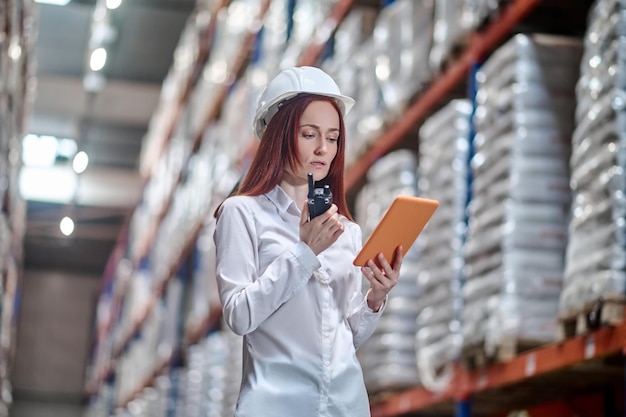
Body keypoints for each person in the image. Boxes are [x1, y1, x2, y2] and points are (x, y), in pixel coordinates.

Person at [214, 66, 403, 417]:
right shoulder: (242, 213)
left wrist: (376, 298)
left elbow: (344, 333)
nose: (322, 148)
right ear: (278, 135)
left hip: (345, 407)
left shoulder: (346, 230)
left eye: (332, 138)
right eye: (309, 134)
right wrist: (305, 253)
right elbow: (239, 316)